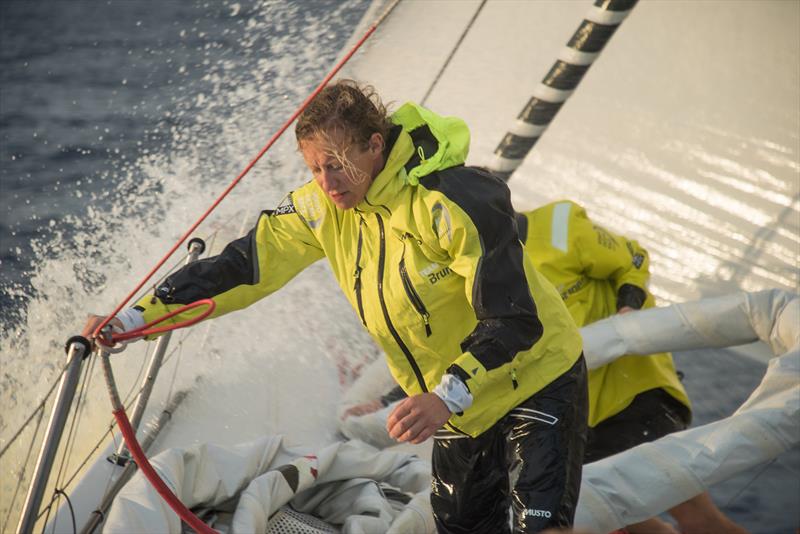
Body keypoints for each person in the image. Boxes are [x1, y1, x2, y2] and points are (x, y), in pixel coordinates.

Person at [84, 80, 588, 533]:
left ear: (376, 145)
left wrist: (445, 395)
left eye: (338, 163)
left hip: (535, 380)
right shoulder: (322, 207)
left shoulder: (450, 200)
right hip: (456, 410)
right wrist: (135, 319)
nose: (327, 182)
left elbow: (514, 317)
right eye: (315, 168)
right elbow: (244, 266)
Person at [344, 200, 746, 534]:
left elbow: (633, 257)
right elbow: (467, 351)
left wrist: (629, 308)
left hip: (633, 395)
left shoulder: (560, 224)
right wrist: (389, 399)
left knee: (679, 516)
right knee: (629, 523)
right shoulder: (467, 271)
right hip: (569, 414)